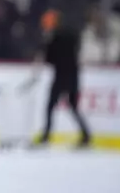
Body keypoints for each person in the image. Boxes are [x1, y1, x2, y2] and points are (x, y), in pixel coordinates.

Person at [36, 9, 91, 147]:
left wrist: (46, 44)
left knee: (50, 106)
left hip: (61, 75)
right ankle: (86, 135)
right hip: (73, 74)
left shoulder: (53, 37)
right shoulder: (71, 34)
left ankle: (46, 135)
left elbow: (49, 59)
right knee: (73, 106)